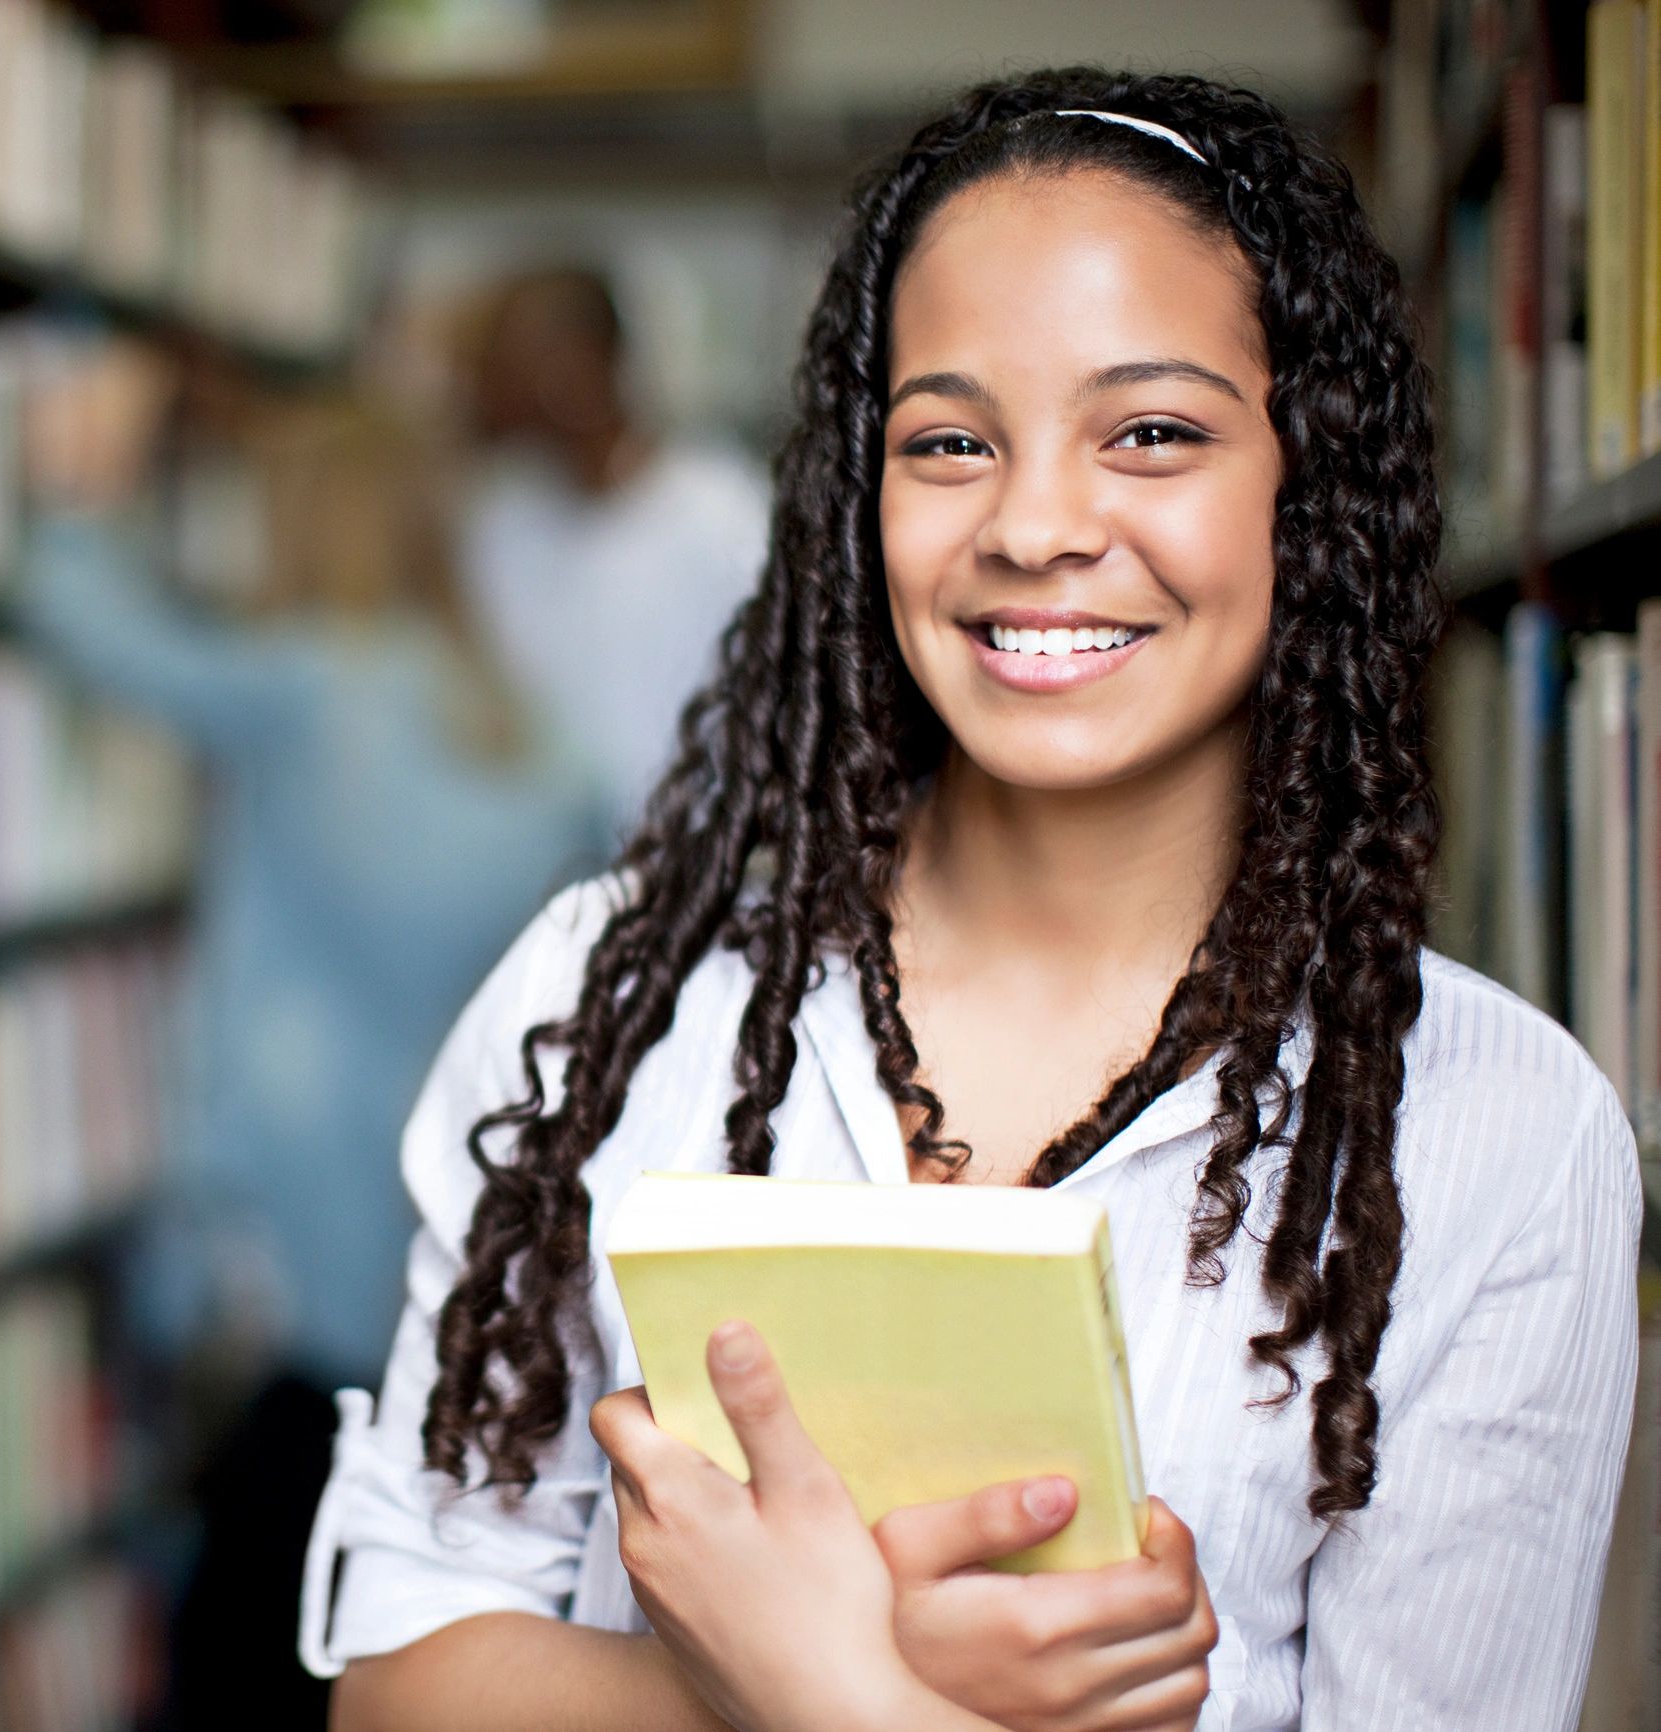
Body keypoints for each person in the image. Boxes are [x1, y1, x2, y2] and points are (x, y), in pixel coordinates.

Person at [299, 68, 1641, 1732]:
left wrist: (837, 1693)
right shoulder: (612, 999)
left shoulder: (1494, 1135)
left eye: (1150, 432)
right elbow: (395, 1686)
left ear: (1309, 488)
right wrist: (781, 1684)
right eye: (948, 441)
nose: (1031, 524)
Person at [17, 346, 607, 1728]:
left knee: (243, 1622)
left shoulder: (307, 691)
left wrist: (75, 480)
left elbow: (85, 623)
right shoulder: (536, 741)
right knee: (371, 1594)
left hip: (282, 1247)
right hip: (457, 1242)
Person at [456, 265, 770, 828]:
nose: (478, 387)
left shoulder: (723, 517)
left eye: (501, 364)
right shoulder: (500, 527)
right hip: (546, 878)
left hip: (698, 871)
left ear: (576, 363)